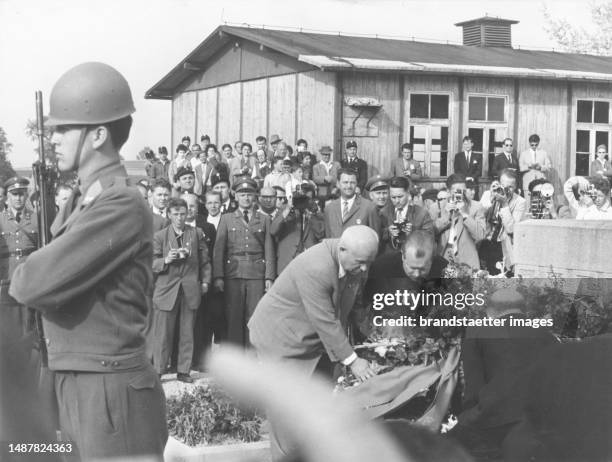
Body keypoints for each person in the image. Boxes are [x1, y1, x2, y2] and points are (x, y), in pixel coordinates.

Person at [9, 62, 167, 460]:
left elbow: (29, 283)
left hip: (109, 391)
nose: (54, 139)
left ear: (98, 135)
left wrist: (34, 269)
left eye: (64, 129)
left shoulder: (119, 202)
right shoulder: (83, 200)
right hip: (78, 380)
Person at [248, 225, 380, 460]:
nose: (364, 269)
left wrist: (374, 336)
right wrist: (352, 360)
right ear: (342, 249)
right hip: (280, 339)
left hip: (313, 340)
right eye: (361, 262)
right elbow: (324, 320)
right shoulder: (315, 266)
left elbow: (352, 307)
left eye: (369, 262)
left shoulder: (356, 261)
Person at [448, 288, 556, 461]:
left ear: (490, 311)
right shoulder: (548, 336)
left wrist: (467, 419)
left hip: (493, 419)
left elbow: (473, 385)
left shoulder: (478, 333)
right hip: (538, 423)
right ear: (523, 310)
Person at [151, 198, 211, 383]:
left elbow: (205, 261)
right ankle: (158, 370)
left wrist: (206, 282)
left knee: (187, 332)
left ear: (188, 214)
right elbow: (151, 264)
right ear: (169, 215)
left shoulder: (196, 233)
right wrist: (166, 260)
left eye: (182, 214)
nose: (179, 218)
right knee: (163, 334)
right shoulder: (160, 236)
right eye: (175, 214)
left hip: (190, 288)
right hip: (167, 290)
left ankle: (184, 370)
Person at [213, 178, 275, 347]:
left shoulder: (264, 219)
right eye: (242, 194)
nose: (246, 198)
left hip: (256, 273)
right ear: (235, 197)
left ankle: (252, 357)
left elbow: (269, 249)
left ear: (254, 196)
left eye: (249, 194)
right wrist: (218, 276)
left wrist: (269, 277)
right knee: (233, 316)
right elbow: (219, 250)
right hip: (233, 272)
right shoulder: (226, 219)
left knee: (254, 315)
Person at [0, 177, 38, 342]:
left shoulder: (37, 219)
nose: (18, 198)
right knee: (8, 332)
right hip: (6, 281)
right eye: (14, 194)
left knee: (30, 331)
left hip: (30, 280)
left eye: (21, 194)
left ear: (26, 194)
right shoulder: (0, 220)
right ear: (7, 196)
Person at [270, 182, 325, 274]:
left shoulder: (315, 214)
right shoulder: (285, 210)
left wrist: (312, 215)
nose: (304, 201)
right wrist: (288, 209)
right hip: (287, 262)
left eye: (308, 199)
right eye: (302, 199)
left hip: (308, 262)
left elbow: (321, 233)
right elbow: (273, 230)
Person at [434, 173, 485, 271]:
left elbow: (480, 235)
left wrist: (465, 214)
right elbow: (431, 233)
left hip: (468, 261)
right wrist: (446, 217)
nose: (461, 194)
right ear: (448, 191)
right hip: (443, 259)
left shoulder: (476, 207)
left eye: (464, 191)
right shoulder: (437, 207)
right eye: (457, 191)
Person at [479, 169, 526, 275]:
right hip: (485, 242)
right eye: (503, 185)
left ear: (516, 187)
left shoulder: (520, 202)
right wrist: (490, 199)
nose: (506, 189)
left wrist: (504, 204)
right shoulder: (487, 194)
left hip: (503, 246)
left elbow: (511, 229)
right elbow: (479, 217)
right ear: (499, 183)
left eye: (510, 187)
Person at [380, 176, 434, 253]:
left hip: (413, 257)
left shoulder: (421, 213)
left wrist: (413, 233)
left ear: (408, 193)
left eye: (400, 197)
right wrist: (389, 233)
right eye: (393, 197)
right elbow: (378, 236)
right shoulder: (384, 213)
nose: (397, 201)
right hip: (391, 259)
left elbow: (430, 239)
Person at [324, 168, 381, 238]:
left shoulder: (369, 207)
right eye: (345, 182)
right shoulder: (329, 208)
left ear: (356, 184)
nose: (349, 186)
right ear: (338, 184)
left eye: (352, 182)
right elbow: (328, 238)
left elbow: (376, 239)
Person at [519, 134, 551, 202]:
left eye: (536, 145)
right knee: (528, 205)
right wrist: (529, 166)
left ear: (538, 143)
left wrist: (540, 167)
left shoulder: (543, 153)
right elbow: (520, 168)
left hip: (540, 183)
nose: (534, 146)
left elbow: (549, 167)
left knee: (540, 204)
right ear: (529, 143)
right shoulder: (523, 154)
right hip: (528, 183)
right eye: (532, 145)